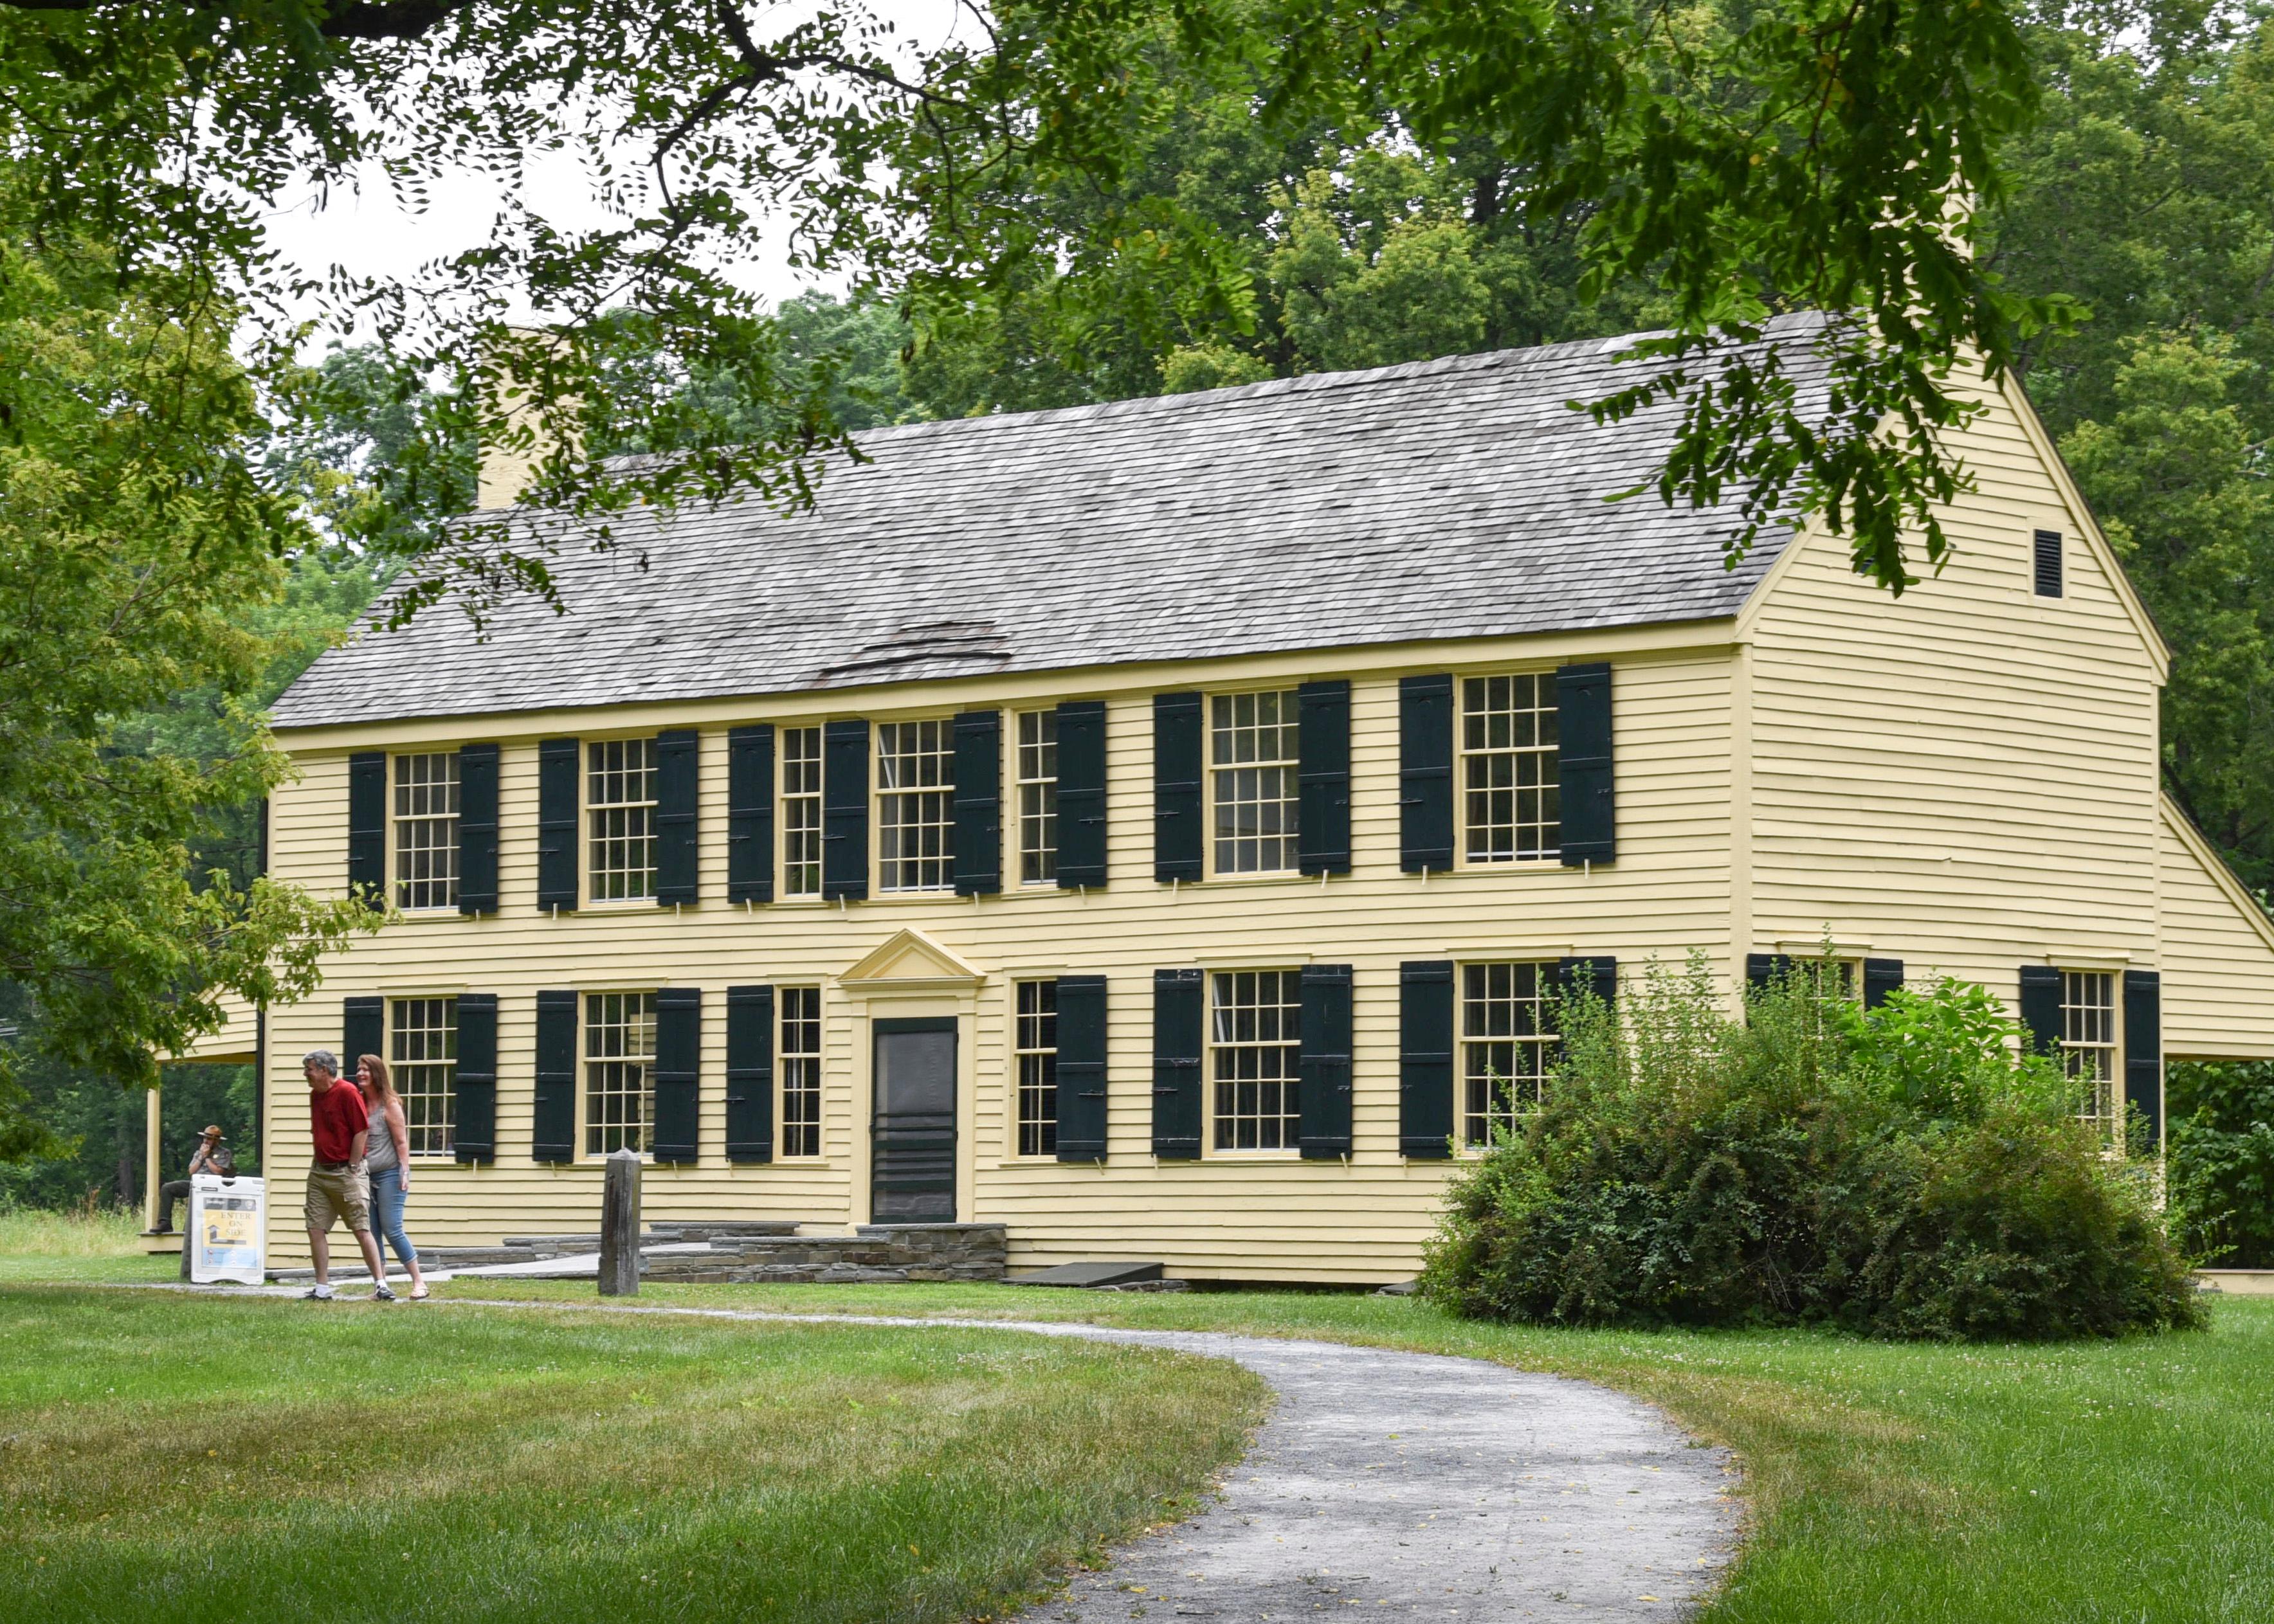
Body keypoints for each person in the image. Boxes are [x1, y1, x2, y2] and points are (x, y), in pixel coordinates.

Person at [301, 1049, 391, 1301]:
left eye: (309, 1069)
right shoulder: (315, 1096)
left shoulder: (347, 1092)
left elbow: (361, 1131)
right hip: (320, 1171)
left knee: (362, 1229)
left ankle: (381, 1285)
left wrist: (352, 1166)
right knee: (315, 1228)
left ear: (324, 1070)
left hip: (346, 1172)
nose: (305, 1074)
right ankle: (322, 1289)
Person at [356, 1054, 428, 1300]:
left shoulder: (390, 1104)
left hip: (390, 1176)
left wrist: (404, 1172)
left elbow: (401, 1142)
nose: (360, 1073)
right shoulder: (360, 1104)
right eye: (359, 1069)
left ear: (377, 1074)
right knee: (372, 1232)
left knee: (392, 1228)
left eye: (365, 1069)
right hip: (365, 1177)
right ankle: (381, 1286)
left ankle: (419, 1282)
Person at [152, 1126, 234, 1235]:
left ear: (217, 1140)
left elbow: (218, 1171)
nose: (206, 1141)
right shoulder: (199, 1152)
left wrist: (207, 1157)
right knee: (168, 1188)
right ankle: (165, 1222)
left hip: (213, 1185)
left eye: (209, 1139)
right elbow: (192, 1171)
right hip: (196, 1182)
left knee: (195, 1201)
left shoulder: (224, 1153)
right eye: (205, 1138)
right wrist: (201, 1156)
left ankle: (187, 1231)